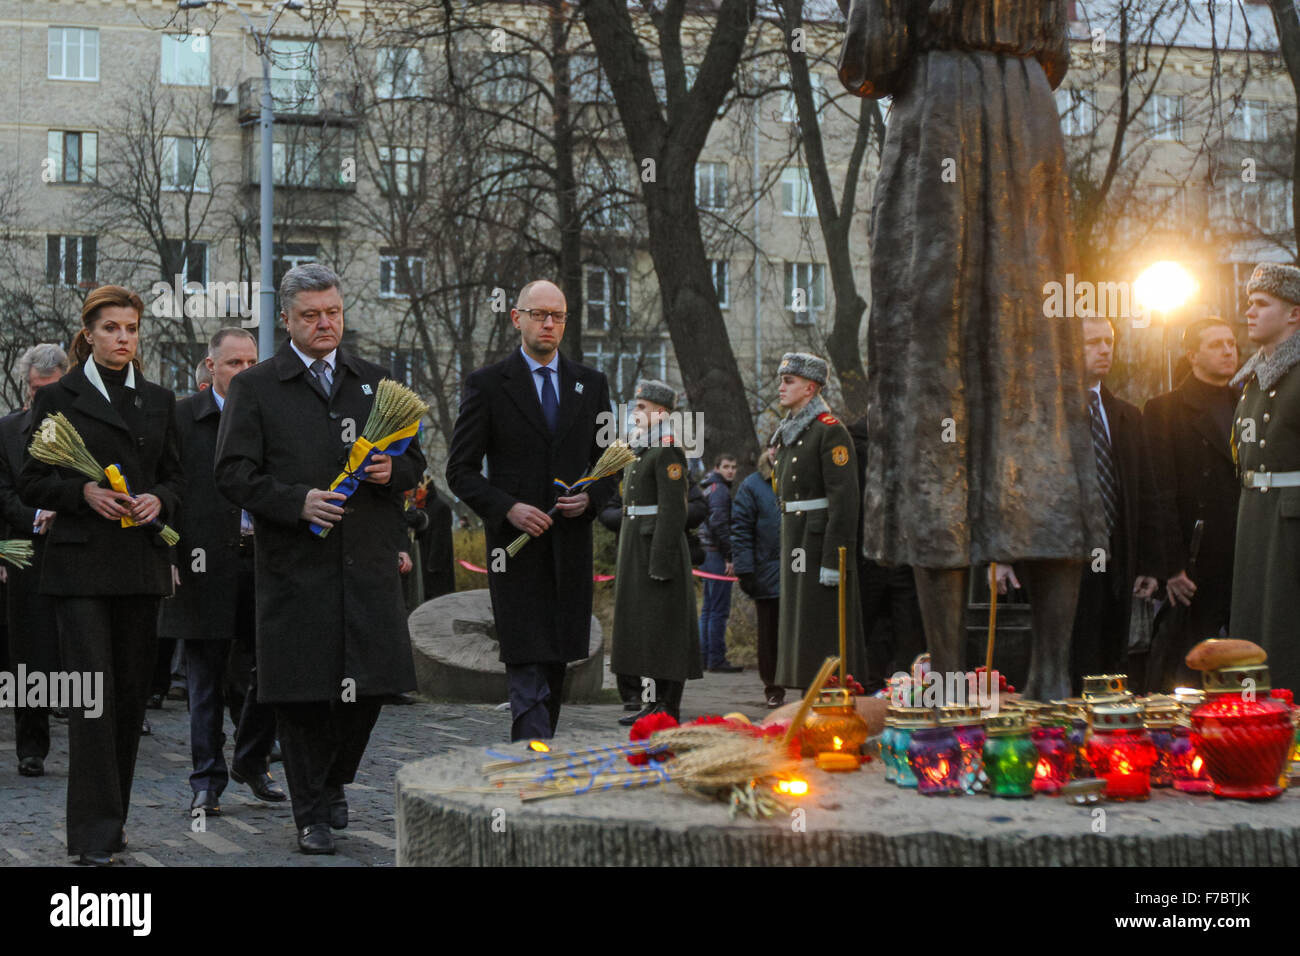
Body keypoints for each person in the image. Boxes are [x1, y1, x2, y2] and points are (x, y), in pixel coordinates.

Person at [842, 0, 1105, 702]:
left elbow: (873, 58)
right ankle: (1053, 674)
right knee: (1040, 372)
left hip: (941, 115)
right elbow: (1056, 51)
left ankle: (953, 681)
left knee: (932, 371)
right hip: (1028, 118)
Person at [214, 263, 424, 855]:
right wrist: (295, 501)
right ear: (286, 320)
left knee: (372, 688)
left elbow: (418, 464)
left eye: (332, 311)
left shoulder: (376, 382)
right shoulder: (257, 386)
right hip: (295, 569)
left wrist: (394, 471)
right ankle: (311, 811)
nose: (325, 323)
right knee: (304, 693)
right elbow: (231, 474)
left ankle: (333, 780)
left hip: (367, 565)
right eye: (311, 315)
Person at [18, 286, 184, 866]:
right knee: (93, 702)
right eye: (111, 328)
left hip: (140, 567)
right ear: (88, 333)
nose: (123, 338)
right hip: (80, 568)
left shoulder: (161, 400)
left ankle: (112, 822)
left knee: (130, 703)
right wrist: (82, 492)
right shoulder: (58, 397)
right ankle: (91, 836)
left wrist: (158, 501)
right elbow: (31, 482)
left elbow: (178, 480)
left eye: (131, 328)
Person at [445, 279, 614, 742]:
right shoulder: (488, 385)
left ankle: (538, 747)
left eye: (557, 316)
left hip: (569, 549)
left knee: (556, 660)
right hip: (515, 551)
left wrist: (592, 498)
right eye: (539, 314)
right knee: (525, 658)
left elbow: (609, 465)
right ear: (517, 318)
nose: (548, 324)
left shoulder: (591, 384)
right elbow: (459, 471)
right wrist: (508, 508)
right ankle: (530, 755)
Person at [161, 327, 284, 816]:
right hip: (202, 563)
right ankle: (206, 780)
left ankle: (251, 760)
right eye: (234, 363)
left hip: (265, 561)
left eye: (252, 362)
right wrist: (170, 556)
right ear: (210, 366)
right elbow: (166, 492)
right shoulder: (181, 418)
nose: (245, 372)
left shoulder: (271, 415)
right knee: (205, 680)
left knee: (273, 670)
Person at [1143, 318, 1240, 691]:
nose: (1228, 351)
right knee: (1185, 667)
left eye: (1231, 343)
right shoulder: (1164, 409)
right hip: (1195, 562)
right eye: (1216, 344)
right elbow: (1158, 491)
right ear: (1192, 354)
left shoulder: (1247, 403)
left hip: (1242, 551)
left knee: (1243, 662)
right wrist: (1171, 566)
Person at [771, 353, 866, 690]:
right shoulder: (791, 431)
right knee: (798, 621)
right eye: (782, 380)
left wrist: (833, 557)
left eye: (789, 381)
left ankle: (827, 694)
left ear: (810, 388)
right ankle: (803, 693)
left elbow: (844, 500)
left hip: (816, 540)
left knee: (819, 622)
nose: (781, 387)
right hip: (795, 536)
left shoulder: (830, 431)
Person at [610, 380, 700, 725]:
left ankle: (668, 705)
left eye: (643, 407)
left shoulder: (667, 450)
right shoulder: (641, 449)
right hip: (636, 545)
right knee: (643, 630)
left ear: (661, 413)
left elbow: (673, 509)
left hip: (655, 547)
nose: (636, 412)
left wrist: (661, 559)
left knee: (664, 628)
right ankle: (650, 703)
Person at [1229, 262, 1300, 694]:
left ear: (1294, 313)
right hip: (1255, 513)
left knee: (1284, 625)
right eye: (1248, 303)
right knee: (1253, 625)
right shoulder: (1253, 380)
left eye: (1262, 304)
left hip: (1291, 519)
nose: (1249, 312)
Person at [0, 344, 66, 777]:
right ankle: (31, 744)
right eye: (35, 390)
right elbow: (2, 491)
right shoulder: (7, 431)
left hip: (80, 551)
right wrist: (37, 516)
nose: (41, 399)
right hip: (26, 551)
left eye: (50, 391)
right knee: (29, 650)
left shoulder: (88, 429)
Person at [600, 456, 708, 712]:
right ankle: (635, 695)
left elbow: (697, 507)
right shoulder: (628, 472)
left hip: (664, 550)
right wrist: (633, 520)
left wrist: (662, 515)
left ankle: (664, 702)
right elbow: (608, 510)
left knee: (665, 626)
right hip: (634, 552)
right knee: (632, 625)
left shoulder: (670, 461)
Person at [847, 418, 924, 695]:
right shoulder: (852, 444)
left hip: (901, 550)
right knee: (870, 623)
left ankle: (907, 689)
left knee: (907, 627)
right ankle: (863, 685)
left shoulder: (911, 438)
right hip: (870, 547)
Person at [731, 444, 783, 707]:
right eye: (773, 446)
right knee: (769, 635)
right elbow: (741, 529)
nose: (776, 451)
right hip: (766, 571)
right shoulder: (752, 486)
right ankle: (773, 687)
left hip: (798, 571)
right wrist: (745, 569)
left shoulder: (802, 478)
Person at [698, 452, 741, 672]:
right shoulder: (719, 490)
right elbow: (718, 523)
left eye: (733, 467)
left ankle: (705, 657)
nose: (731, 471)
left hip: (707, 551)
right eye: (726, 466)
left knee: (708, 608)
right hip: (715, 553)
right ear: (717, 468)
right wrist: (729, 555)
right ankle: (715, 658)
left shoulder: (709, 487)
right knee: (718, 609)